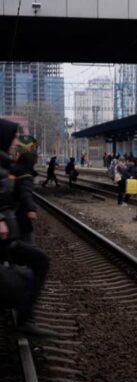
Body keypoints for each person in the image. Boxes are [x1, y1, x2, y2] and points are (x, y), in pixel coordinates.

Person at [0, 118, 55, 338]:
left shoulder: (6, 165)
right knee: (40, 261)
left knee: (39, 261)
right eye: (13, 137)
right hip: (5, 240)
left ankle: (25, 316)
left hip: (8, 239)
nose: (16, 142)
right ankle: (24, 317)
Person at [11, 151, 38, 244]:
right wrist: (31, 209)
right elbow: (26, 193)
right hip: (21, 213)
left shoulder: (14, 170)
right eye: (34, 162)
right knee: (28, 241)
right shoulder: (26, 175)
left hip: (13, 211)